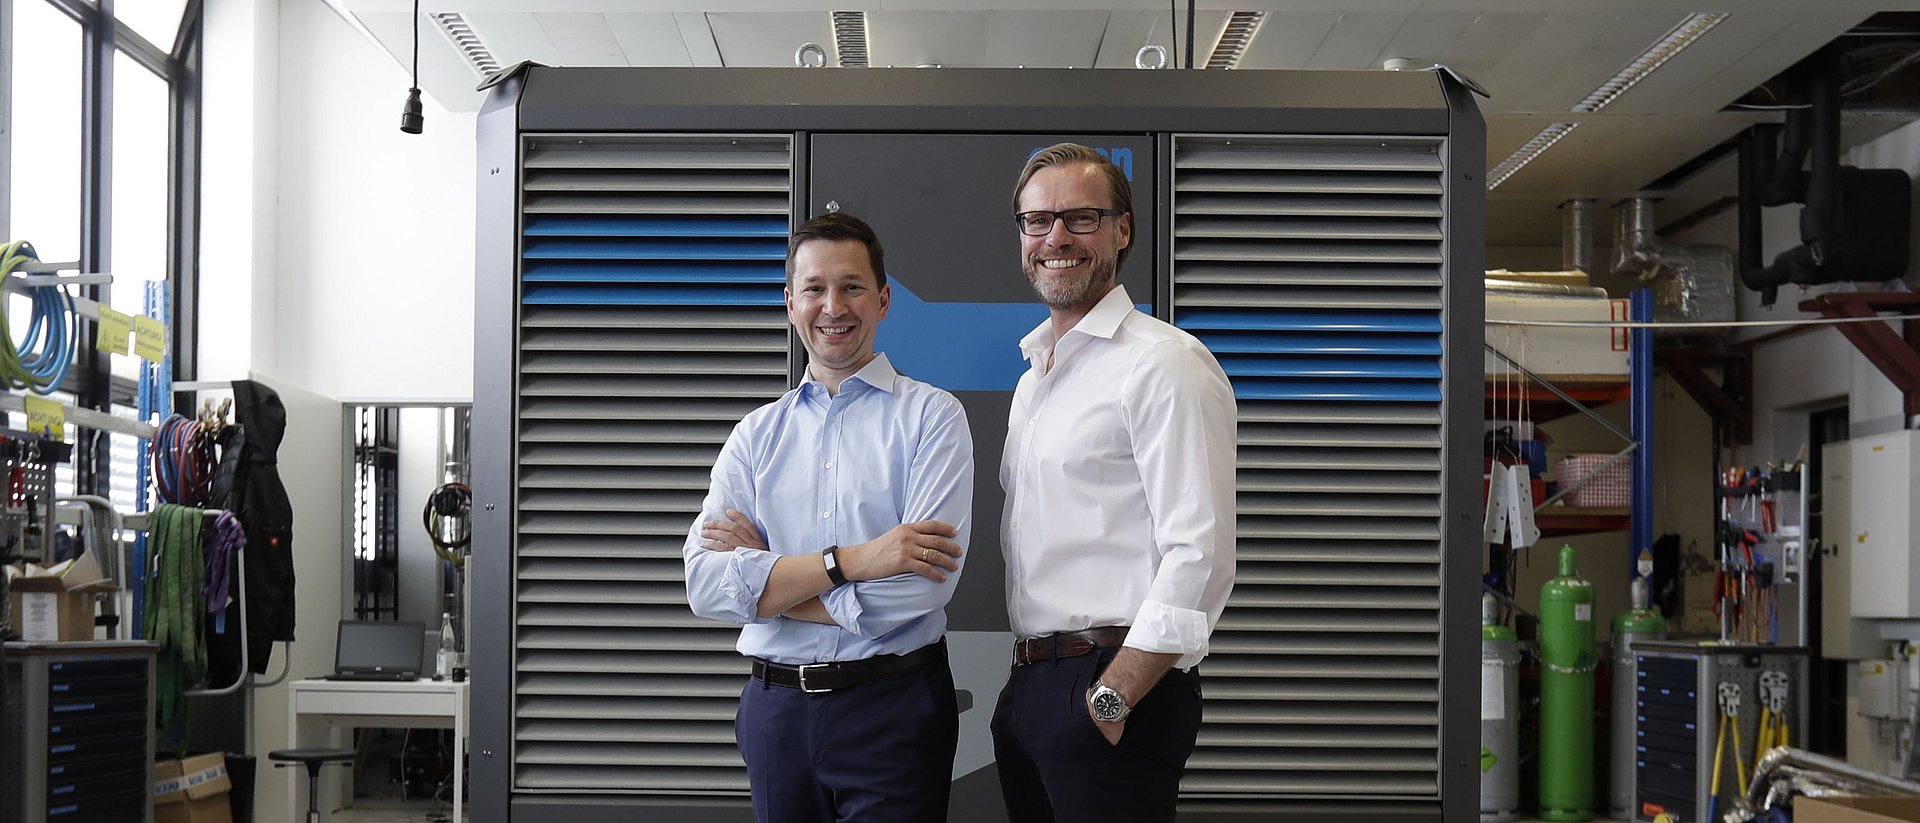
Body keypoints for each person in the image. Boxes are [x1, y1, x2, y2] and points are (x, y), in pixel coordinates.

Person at [682, 210, 975, 823]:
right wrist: (855, 562)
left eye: (852, 286)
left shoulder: (932, 418)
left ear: (884, 299)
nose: (833, 306)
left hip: (892, 707)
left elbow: (922, 588)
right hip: (775, 712)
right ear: (791, 303)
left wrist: (768, 585)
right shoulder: (755, 435)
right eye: (814, 289)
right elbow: (706, 585)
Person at [991, 143, 1238, 822]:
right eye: (1037, 221)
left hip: (1112, 687)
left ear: (1122, 230)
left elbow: (1202, 554)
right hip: (1035, 687)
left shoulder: (1163, 364)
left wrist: (1112, 698)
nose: (1056, 239)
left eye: (1080, 217)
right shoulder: (1033, 378)